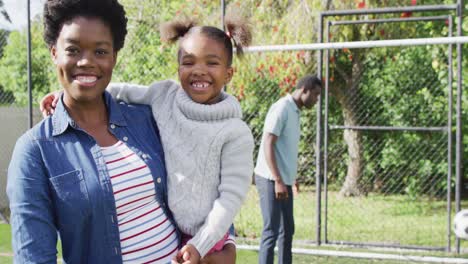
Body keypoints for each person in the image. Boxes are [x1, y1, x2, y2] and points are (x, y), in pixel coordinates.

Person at [8, 0, 236, 263]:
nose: (86, 61)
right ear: (54, 53)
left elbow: (202, 181)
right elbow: (34, 257)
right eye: (72, 49)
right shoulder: (35, 151)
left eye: (101, 52)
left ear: (114, 57)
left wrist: (223, 242)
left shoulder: (148, 120)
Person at [254, 74, 322, 264]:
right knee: (271, 231)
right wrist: (277, 180)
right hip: (270, 179)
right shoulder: (282, 108)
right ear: (304, 90)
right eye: (315, 95)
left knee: (287, 230)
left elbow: (284, 148)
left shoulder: (295, 111)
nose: (317, 100)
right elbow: (268, 143)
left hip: (284, 180)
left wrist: (291, 177)